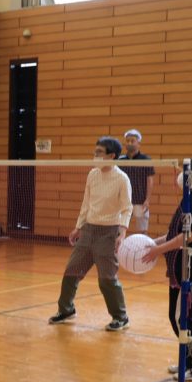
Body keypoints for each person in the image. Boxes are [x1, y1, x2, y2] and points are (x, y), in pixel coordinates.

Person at [142, 159, 192, 381]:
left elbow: (188, 236)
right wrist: (152, 243)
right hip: (184, 267)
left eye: (187, 171)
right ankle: (187, 360)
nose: (181, 174)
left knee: (183, 318)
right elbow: (175, 234)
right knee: (183, 316)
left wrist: (157, 251)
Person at [49, 137, 133, 331]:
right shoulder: (92, 175)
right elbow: (86, 203)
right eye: (95, 152)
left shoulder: (122, 179)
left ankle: (121, 317)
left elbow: (126, 208)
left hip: (108, 233)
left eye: (99, 152)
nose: (95, 156)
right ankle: (66, 309)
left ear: (112, 156)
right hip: (88, 231)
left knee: (107, 279)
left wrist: (121, 233)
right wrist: (78, 227)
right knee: (71, 271)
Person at [117, 129, 155, 234]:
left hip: (140, 200)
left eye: (132, 141)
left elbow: (150, 180)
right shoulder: (120, 161)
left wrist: (147, 199)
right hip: (124, 201)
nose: (129, 143)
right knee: (119, 230)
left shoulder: (146, 160)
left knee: (142, 230)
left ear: (139, 143)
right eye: (127, 141)